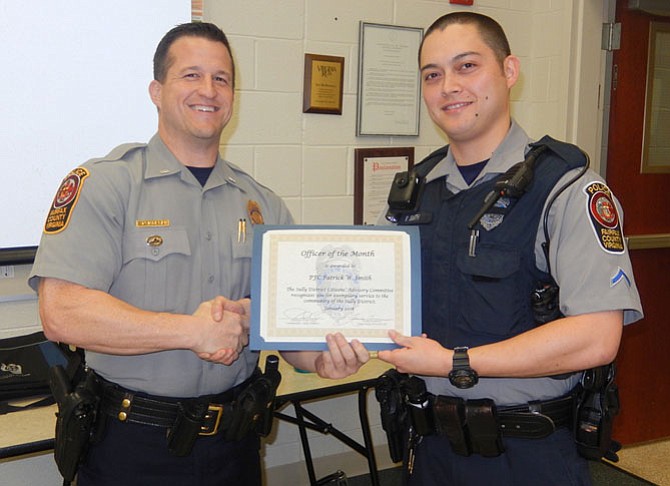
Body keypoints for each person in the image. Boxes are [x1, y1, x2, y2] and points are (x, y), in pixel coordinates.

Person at [28, 22, 360, 486]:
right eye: (191, 76)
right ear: (156, 90)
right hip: (132, 445)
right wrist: (192, 331)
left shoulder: (263, 204)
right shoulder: (107, 184)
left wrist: (320, 358)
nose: (208, 90)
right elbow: (63, 313)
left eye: (221, 79)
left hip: (235, 442)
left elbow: (287, 324)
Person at [369, 12, 643, 486]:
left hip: (528, 452)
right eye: (432, 75)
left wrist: (454, 363)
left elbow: (597, 337)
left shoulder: (566, 189)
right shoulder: (411, 196)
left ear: (509, 71)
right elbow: (368, 305)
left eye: (467, 66)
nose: (448, 86)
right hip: (430, 446)